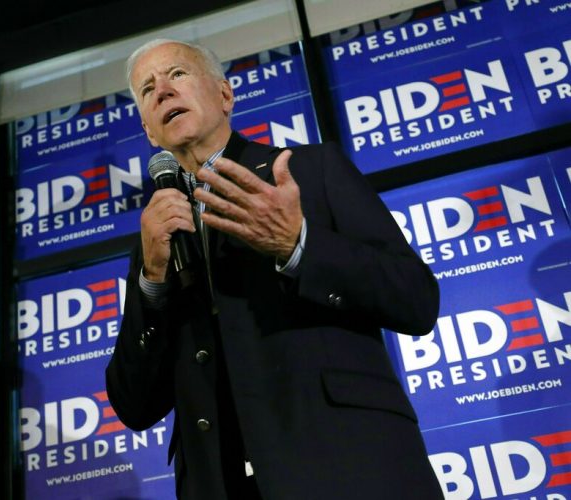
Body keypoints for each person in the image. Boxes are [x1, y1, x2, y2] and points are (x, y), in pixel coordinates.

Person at [105, 38, 444, 499]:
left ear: (225, 95)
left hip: (349, 471)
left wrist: (297, 244)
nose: (162, 90)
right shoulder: (155, 238)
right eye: (147, 89)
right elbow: (134, 405)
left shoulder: (312, 171)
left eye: (177, 74)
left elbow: (416, 299)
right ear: (148, 131)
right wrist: (151, 284)